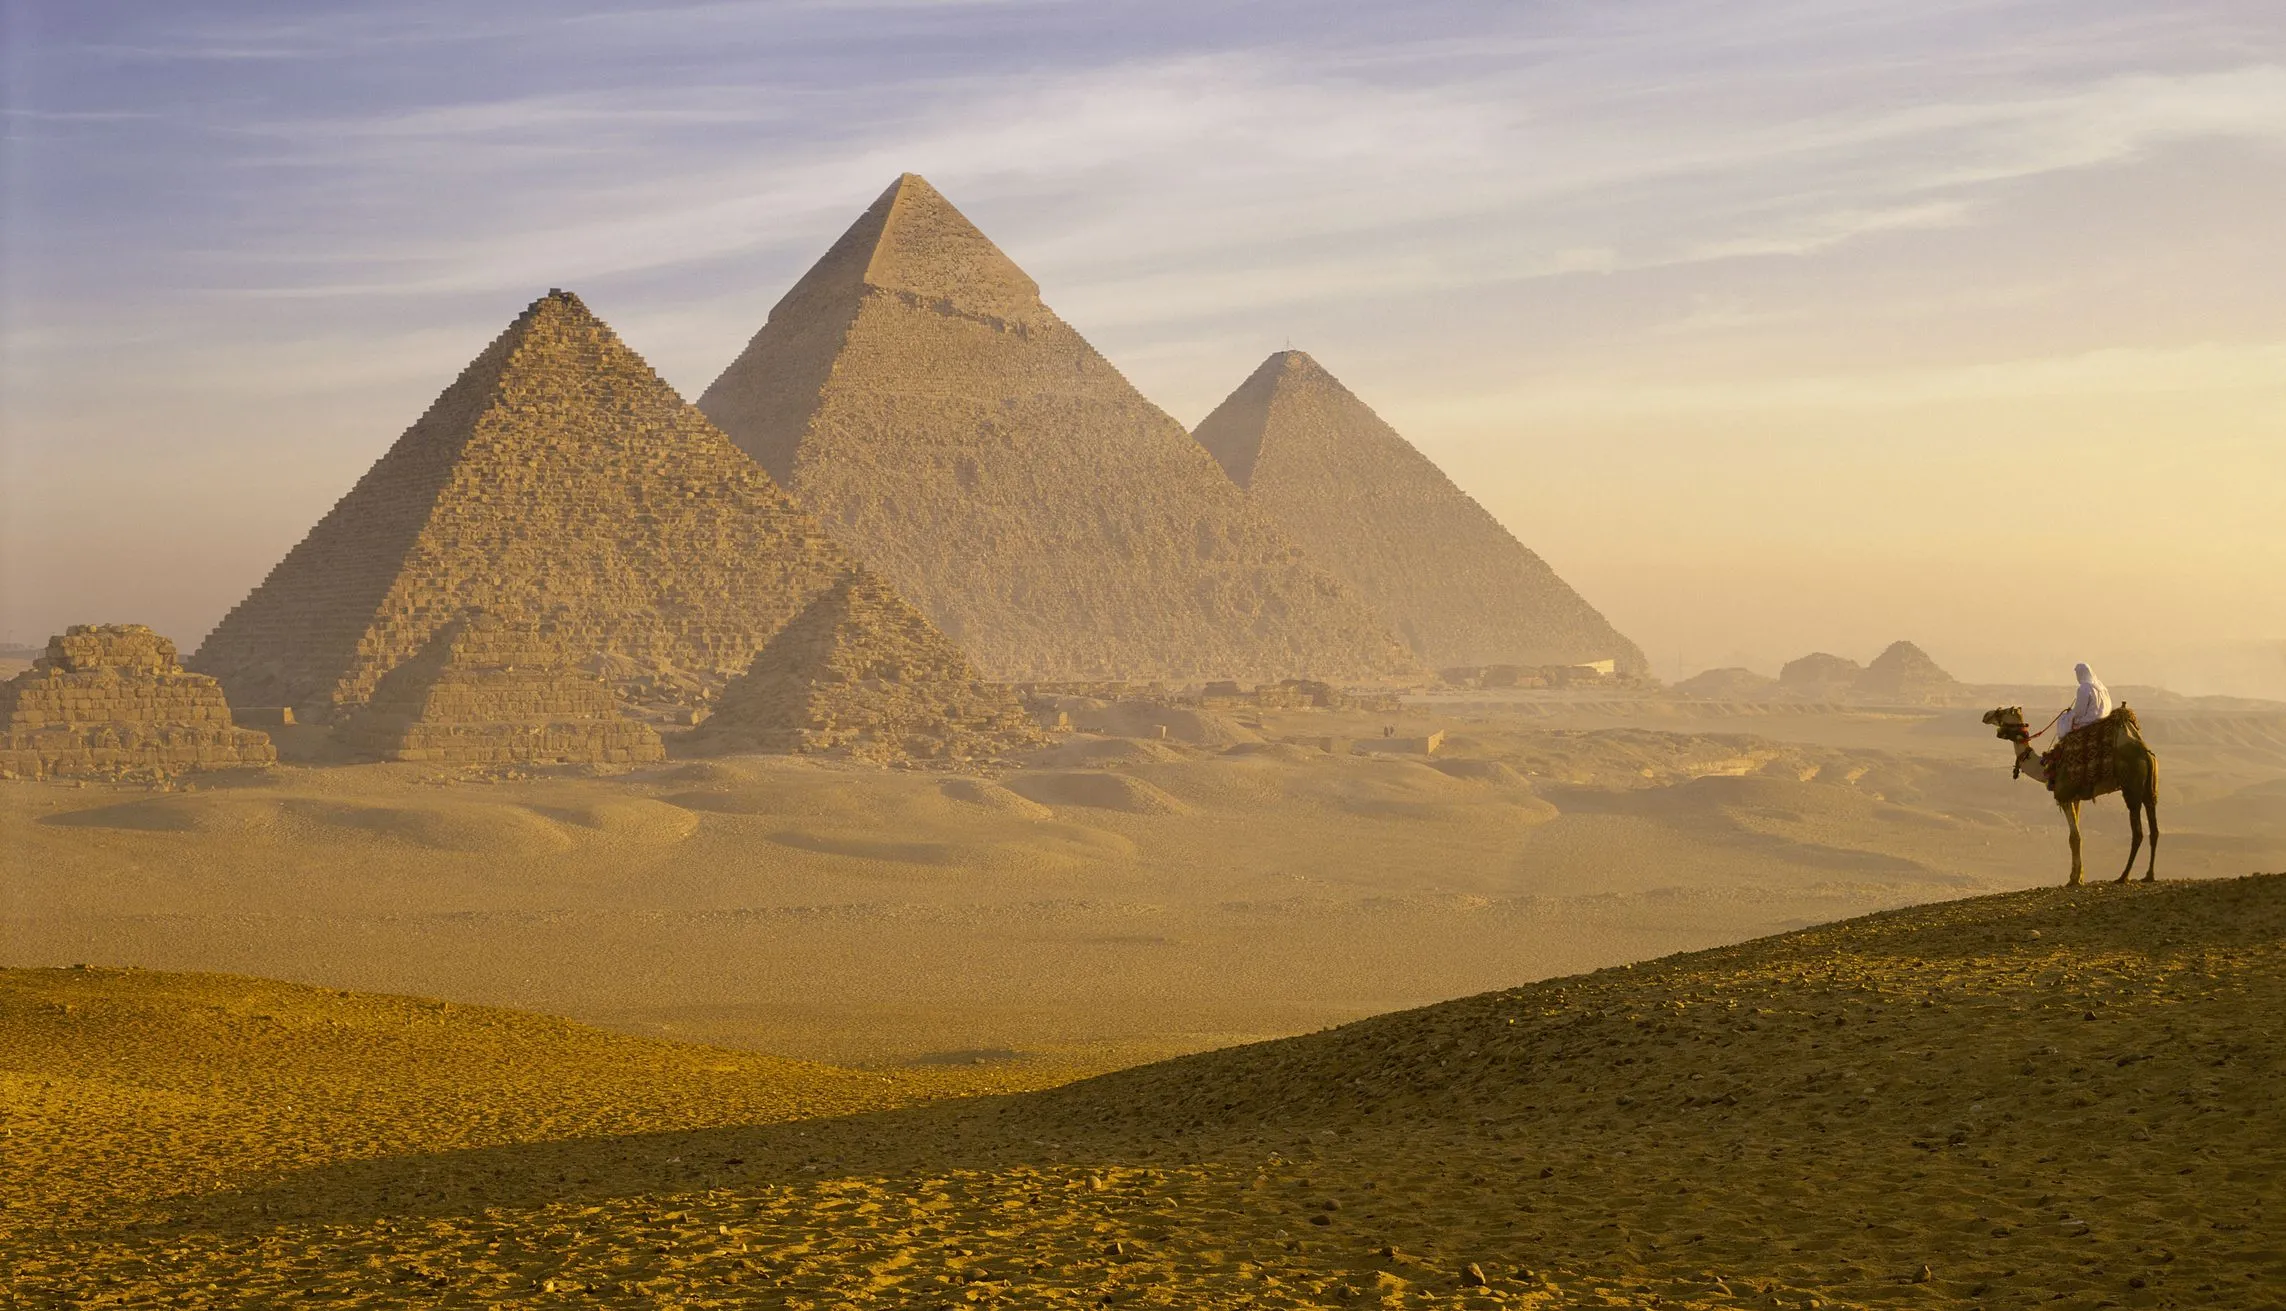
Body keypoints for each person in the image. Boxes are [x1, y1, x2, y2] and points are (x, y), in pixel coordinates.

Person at [2056, 662, 2113, 740]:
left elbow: (2079, 712)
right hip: (2103, 718)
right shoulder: (2101, 687)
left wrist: (2070, 714)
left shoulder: (2084, 688)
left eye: (2078, 674)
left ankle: (2063, 742)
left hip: (2090, 721)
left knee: (2062, 720)